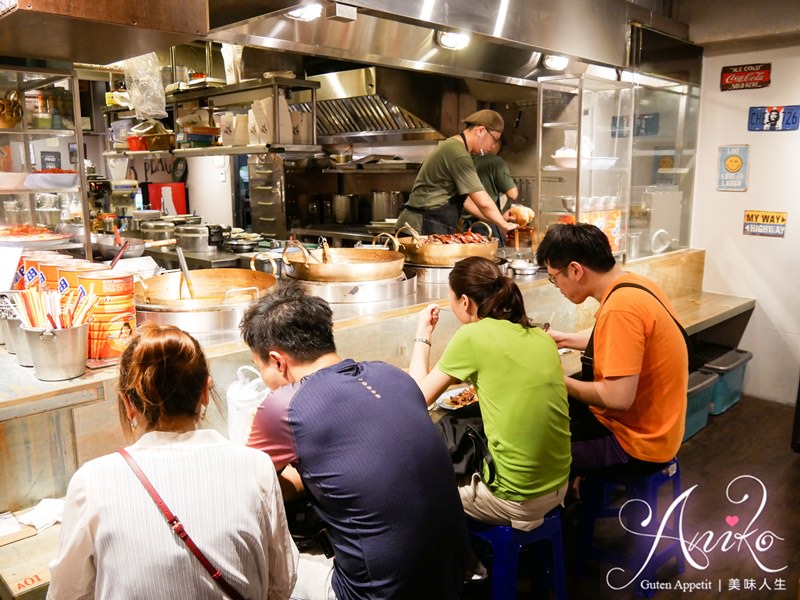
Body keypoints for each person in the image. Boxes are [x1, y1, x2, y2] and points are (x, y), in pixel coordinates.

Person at [240, 283, 469, 600]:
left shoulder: (283, 406)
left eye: (260, 366)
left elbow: (246, 487)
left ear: (278, 361)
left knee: (268, 574)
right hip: (454, 574)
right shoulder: (392, 375)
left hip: (377, 594)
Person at [48, 322, 298, 599]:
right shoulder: (257, 466)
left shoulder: (91, 481)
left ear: (128, 405)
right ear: (205, 391)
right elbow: (282, 582)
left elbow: (65, 594)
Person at [409, 256, 571, 531]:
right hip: (558, 486)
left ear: (464, 301)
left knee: (415, 487)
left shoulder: (472, 336)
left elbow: (415, 398)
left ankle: (466, 567)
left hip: (515, 498)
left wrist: (423, 333)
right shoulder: (540, 336)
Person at [535, 223, 688, 478]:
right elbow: (626, 342)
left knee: (529, 448)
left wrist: (554, 380)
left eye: (553, 278)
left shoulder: (620, 309)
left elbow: (618, 398)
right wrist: (566, 339)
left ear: (575, 270)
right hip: (662, 430)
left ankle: (558, 512)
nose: (557, 286)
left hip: (636, 445)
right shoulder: (635, 285)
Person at [396, 109, 519, 237]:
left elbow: (468, 202)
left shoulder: (454, 147)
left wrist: (499, 219)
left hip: (424, 226)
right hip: (421, 227)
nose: (493, 145)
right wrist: (504, 225)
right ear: (481, 131)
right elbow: (482, 201)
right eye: (494, 139)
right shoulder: (458, 153)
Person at [464, 136, 520, 245]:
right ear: (495, 143)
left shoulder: (465, 160)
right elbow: (513, 194)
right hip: (488, 225)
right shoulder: (495, 161)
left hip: (467, 226)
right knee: (492, 259)